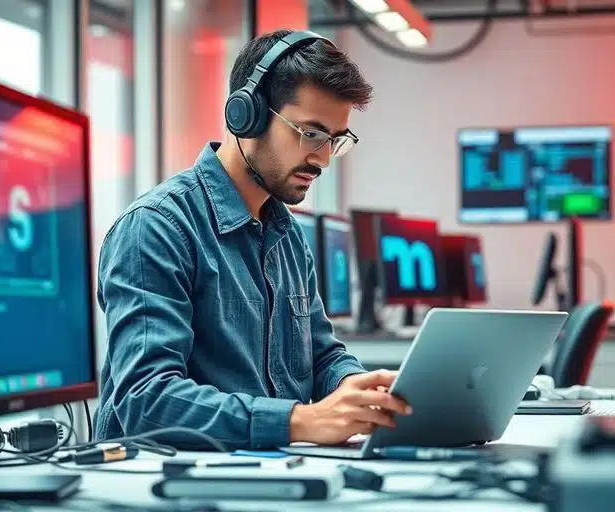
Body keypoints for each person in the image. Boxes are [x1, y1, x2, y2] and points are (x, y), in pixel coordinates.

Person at [93, 30, 411, 450]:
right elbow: (145, 400)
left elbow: (320, 355)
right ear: (248, 115)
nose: (323, 158)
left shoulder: (287, 236)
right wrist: (301, 421)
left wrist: (358, 389)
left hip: (268, 472)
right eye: (311, 134)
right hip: (171, 484)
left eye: (335, 140)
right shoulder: (156, 228)